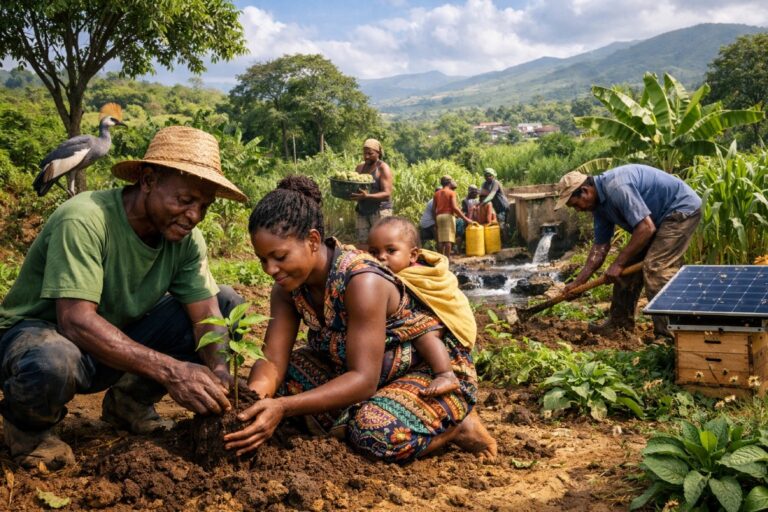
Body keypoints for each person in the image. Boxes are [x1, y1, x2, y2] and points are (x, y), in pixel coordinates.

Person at [0, 126, 248, 469]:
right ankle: (29, 431)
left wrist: (219, 371)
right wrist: (173, 372)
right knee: (52, 360)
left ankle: (129, 403)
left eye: (204, 206)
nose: (194, 216)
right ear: (147, 180)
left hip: (114, 338)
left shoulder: (186, 241)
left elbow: (207, 316)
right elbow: (75, 321)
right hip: (44, 334)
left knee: (225, 304)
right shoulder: (86, 218)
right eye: (185, 200)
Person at [224, 176, 496, 463]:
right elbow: (273, 361)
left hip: (426, 374)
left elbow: (363, 379)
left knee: (372, 433)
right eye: (262, 260)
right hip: (361, 373)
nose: (270, 269)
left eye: (279, 256)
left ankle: (458, 427)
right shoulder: (286, 289)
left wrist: (282, 407)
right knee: (281, 381)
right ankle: (362, 414)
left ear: (313, 241)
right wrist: (250, 407)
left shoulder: (361, 280)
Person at [554, 164, 702, 338]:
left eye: (575, 205)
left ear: (585, 191)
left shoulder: (617, 188)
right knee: (624, 270)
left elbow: (646, 229)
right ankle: (619, 325)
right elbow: (600, 248)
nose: (578, 210)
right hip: (654, 221)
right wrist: (579, 282)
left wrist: (617, 263)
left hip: (680, 210)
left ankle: (669, 335)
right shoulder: (599, 207)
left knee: (656, 268)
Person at [367, 216, 478, 396]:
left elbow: (438, 296)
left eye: (390, 250)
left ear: (412, 255)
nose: (381, 257)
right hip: (421, 316)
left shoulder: (417, 275)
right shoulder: (395, 270)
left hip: (441, 321)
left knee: (425, 335)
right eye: (374, 252)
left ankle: (445, 374)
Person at [350, 138, 393, 246]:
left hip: (380, 211)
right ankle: (367, 263)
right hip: (362, 211)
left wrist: (367, 196)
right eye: (364, 153)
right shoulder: (360, 168)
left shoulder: (382, 168)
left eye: (370, 153)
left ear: (378, 153)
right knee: (363, 243)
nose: (366, 156)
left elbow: (387, 194)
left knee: (381, 242)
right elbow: (355, 186)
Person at [433, 176, 472, 258]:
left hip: (439, 216)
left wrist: (435, 220)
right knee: (448, 240)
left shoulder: (436, 193)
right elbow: (454, 208)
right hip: (448, 216)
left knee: (440, 240)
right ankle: (447, 259)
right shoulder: (451, 193)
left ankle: (441, 259)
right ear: (449, 182)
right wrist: (466, 219)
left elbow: (433, 209)